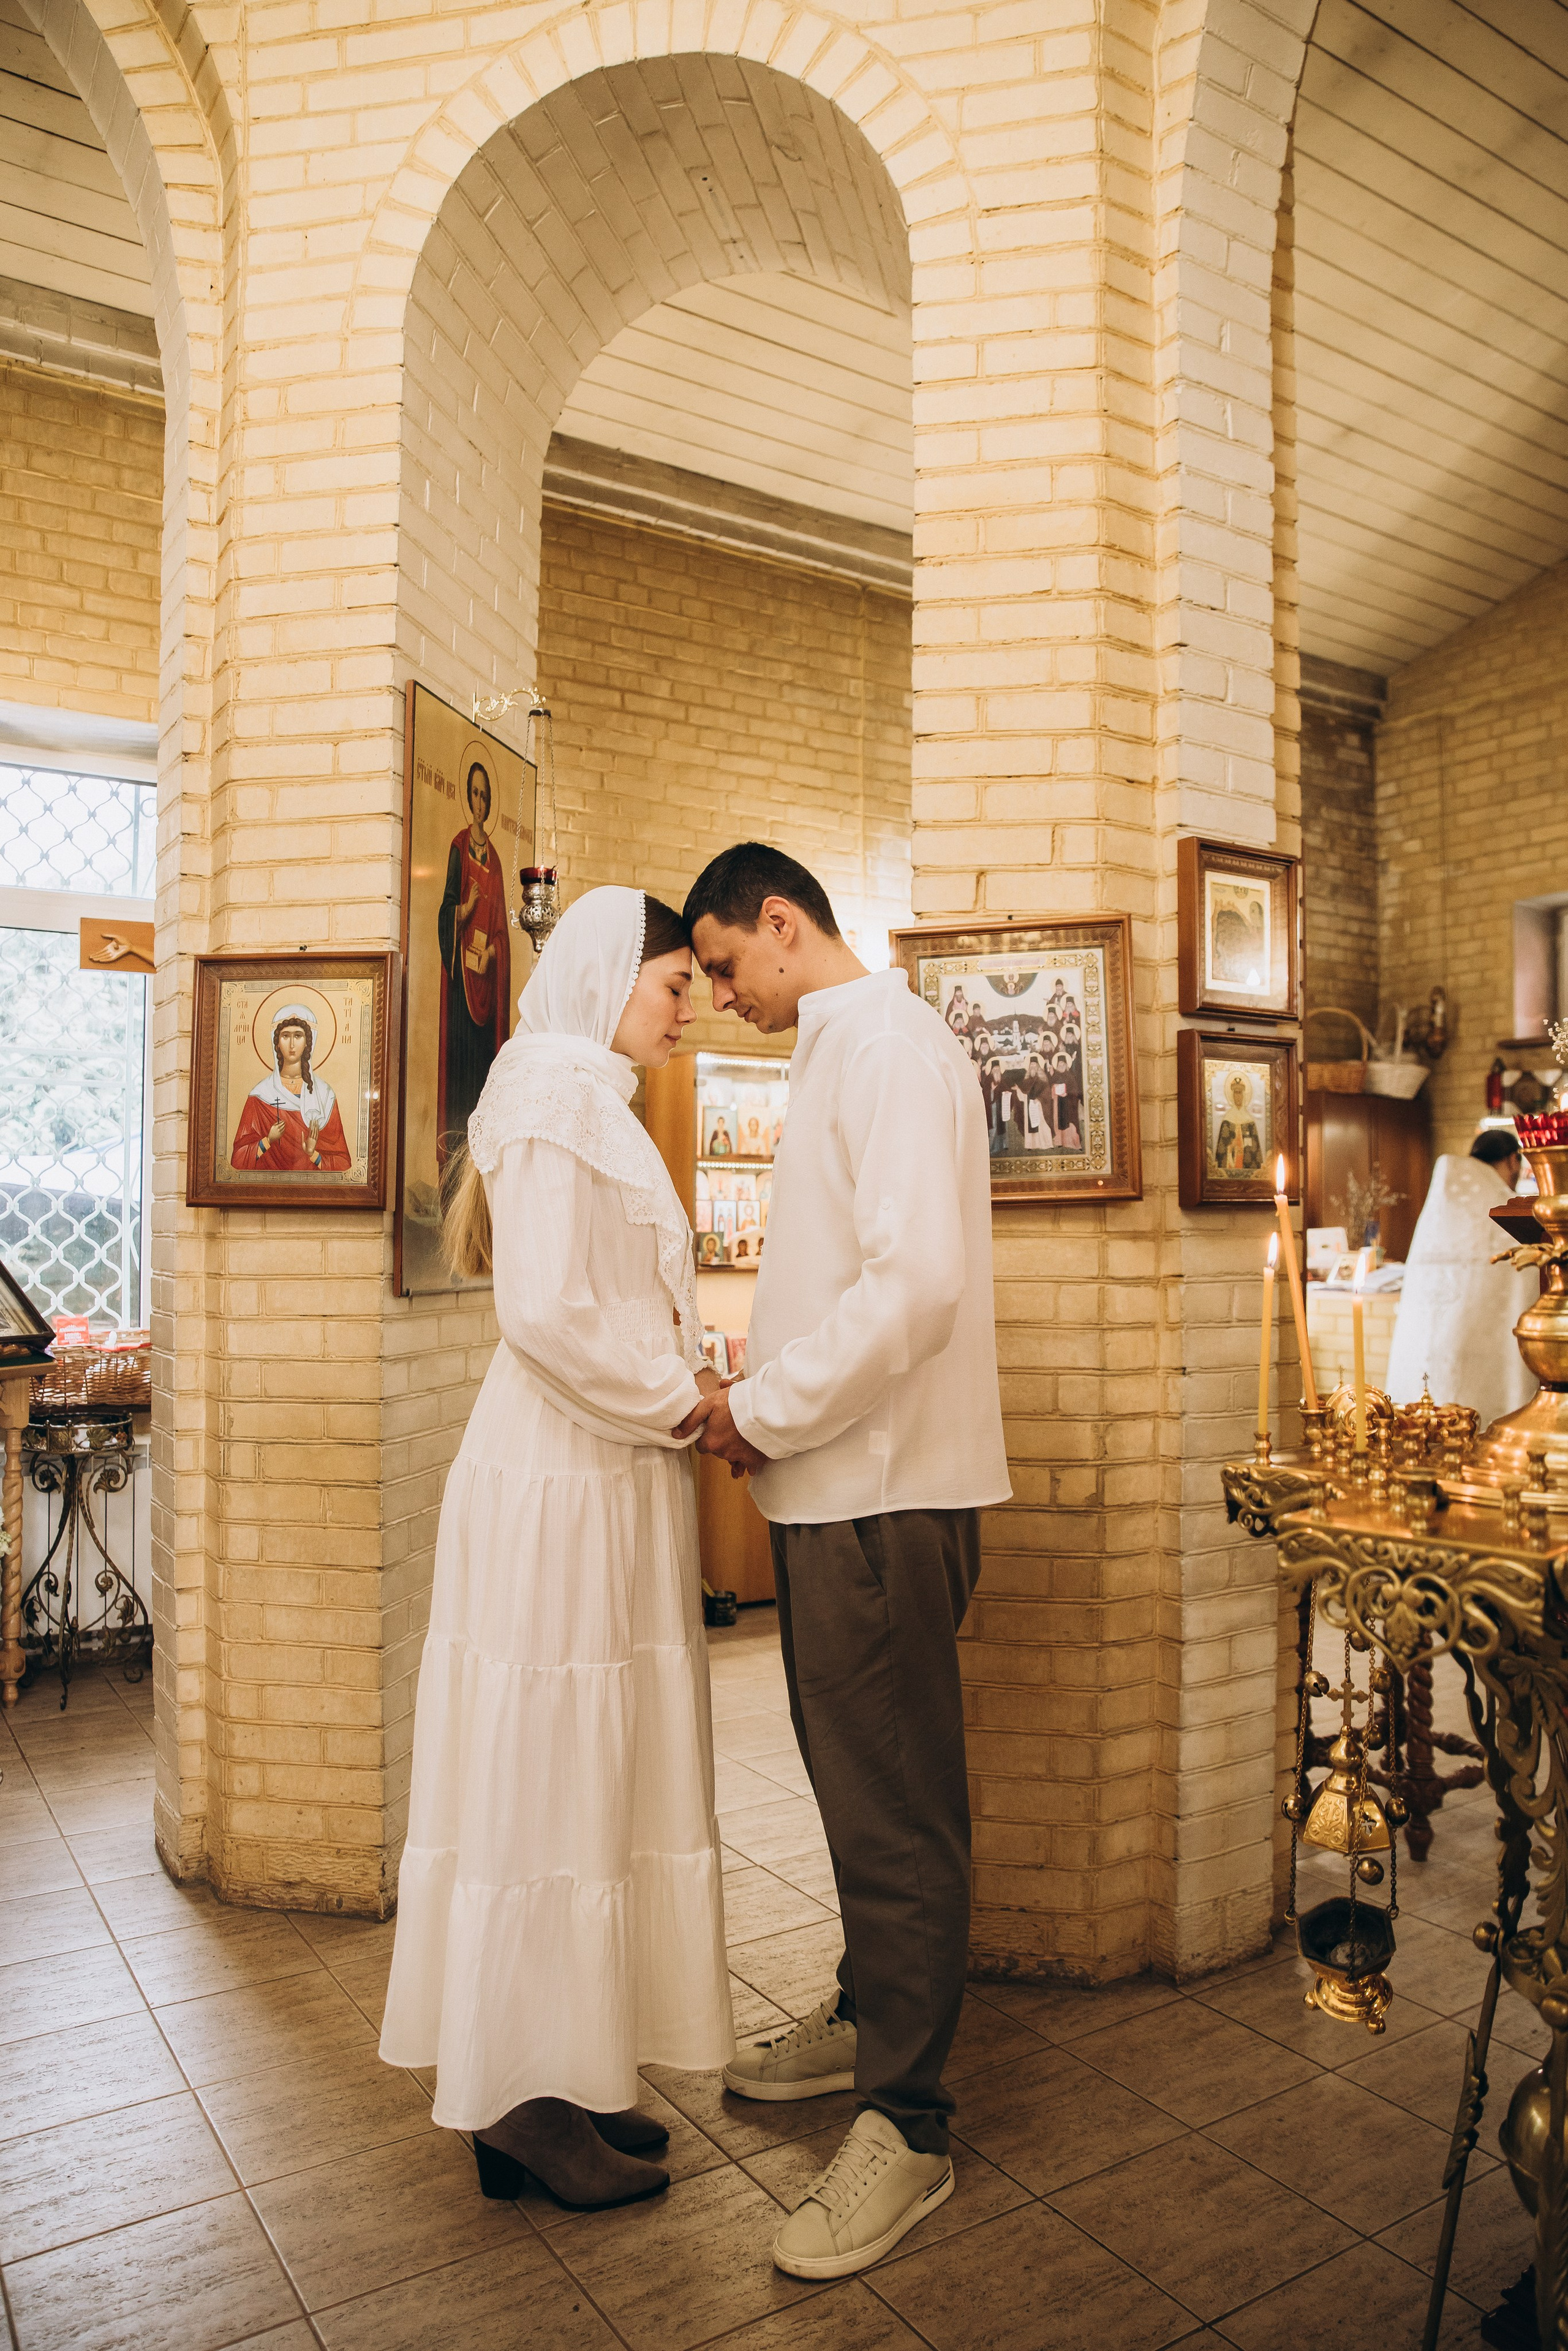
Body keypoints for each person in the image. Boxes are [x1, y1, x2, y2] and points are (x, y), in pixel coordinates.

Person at [679, 841, 1010, 2283]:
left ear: (779, 922)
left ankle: (907, 2122)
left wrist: (761, 1406)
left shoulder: (883, 1045)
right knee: (857, 1793)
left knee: (894, 1813)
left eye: (723, 965)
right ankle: (866, 2011)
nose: (720, 994)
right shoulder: (841, 1042)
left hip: (879, 1493)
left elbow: (915, 1286)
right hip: (839, 1490)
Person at [379, 886, 734, 2209]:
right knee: (543, 1775)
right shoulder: (552, 1094)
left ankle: (569, 2065)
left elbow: (608, 1295)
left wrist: (676, 1385)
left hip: (606, 1467)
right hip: (562, 1473)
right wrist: (681, 1398)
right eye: (672, 983)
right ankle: (516, 2098)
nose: (688, 1007)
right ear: (603, 974)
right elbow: (541, 1312)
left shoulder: (585, 1092)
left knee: (596, 1770)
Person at [1386, 1128, 1537, 1428]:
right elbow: (1530, 1266)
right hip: (1482, 1348)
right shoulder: (1502, 1204)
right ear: (1513, 1160)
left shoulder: (1443, 1201)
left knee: (1425, 1418)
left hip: (1430, 1344)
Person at [437, 760, 512, 1166]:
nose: (480, 802)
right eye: (475, 794)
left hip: (487, 983)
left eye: (485, 795)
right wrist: (464, 910)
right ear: (468, 798)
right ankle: (455, 1165)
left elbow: (502, 931)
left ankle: (481, 1165)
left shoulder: (495, 861)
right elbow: (446, 909)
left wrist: (493, 953)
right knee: (460, 1078)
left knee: (483, 1076)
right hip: (461, 987)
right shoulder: (458, 847)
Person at [230, 1005, 352, 1171]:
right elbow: (238, 1159)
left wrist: (313, 1154)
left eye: (298, 1036)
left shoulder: (325, 1096)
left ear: (308, 1042)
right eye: (286, 1036)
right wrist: (268, 1141)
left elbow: (343, 1164)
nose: (292, 1044)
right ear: (277, 1042)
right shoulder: (259, 1096)